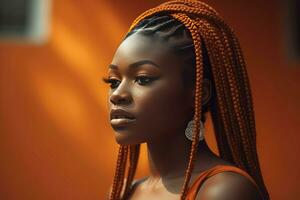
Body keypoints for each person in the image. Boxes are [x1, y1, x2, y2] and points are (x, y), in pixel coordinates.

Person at [102, 0, 270, 199]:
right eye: (113, 81)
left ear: (199, 91)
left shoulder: (224, 191)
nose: (117, 94)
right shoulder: (122, 193)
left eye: (143, 79)